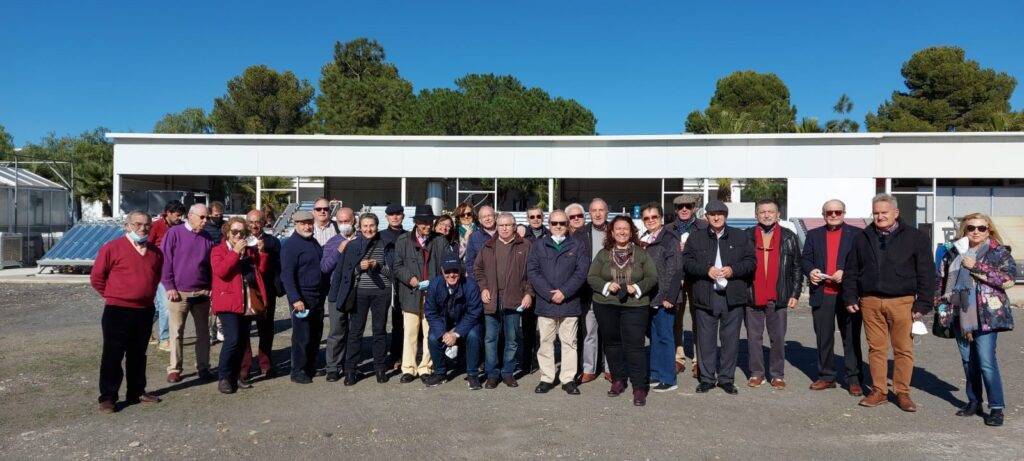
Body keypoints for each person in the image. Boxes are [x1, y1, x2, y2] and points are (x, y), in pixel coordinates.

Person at [843, 193, 934, 412]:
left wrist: (923, 304)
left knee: (903, 349)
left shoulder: (915, 237)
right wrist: (850, 296)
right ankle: (879, 391)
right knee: (876, 349)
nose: (880, 216)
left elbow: (927, 273)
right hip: (871, 301)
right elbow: (852, 269)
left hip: (902, 301)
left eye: (884, 212)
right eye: (876, 213)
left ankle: (902, 392)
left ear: (896, 213)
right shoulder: (863, 237)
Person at [936, 213, 1016, 426]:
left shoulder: (998, 251)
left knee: (986, 362)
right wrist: (940, 305)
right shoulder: (954, 251)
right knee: (968, 361)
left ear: (989, 230)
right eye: (971, 227)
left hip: (988, 315)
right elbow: (942, 279)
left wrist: (977, 267)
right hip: (959, 313)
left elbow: (1008, 280)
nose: (976, 232)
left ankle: (997, 407)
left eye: (982, 228)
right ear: (965, 229)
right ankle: (974, 401)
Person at [91, 211, 163, 413]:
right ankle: (108, 397)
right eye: (138, 224)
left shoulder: (156, 253)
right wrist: (115, 295)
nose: (143, 228)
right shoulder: (112, 248)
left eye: (147, 225)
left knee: (138, 353)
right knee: (113, 355)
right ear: (127, 225)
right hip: (117, 310)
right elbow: (97, 277)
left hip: (144, 310)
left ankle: (136, 391)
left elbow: (155, 277)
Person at [681, 201, 755, 396]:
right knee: (705, 340)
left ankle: (726, 379)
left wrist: (733, 270)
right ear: (706, 216)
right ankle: (706, 379)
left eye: (720, 214)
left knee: (730, 340)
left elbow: (751, 262)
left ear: (726, 216)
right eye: (712, 214)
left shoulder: (741, 236)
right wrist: (707, 270)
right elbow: (686, 263)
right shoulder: (696, 237)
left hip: (733, 295)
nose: (716, 217)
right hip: (706, 293)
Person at [587, 215, 658, 406]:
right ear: (611, 232)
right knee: (612, 344)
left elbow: (652, 277)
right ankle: (618, 379)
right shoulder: (603, 254)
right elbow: (592, 277)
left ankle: (639, 387)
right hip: (606, 304)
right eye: (618, 228)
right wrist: (606, 285)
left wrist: (639, 287)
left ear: (631, 231)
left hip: (635, 306)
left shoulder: (641, 253)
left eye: (625, 228)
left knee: (635, 346)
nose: (622, 231)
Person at [800, 199, 867, 396]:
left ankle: (854, 378)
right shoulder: (813, 235)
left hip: (848, 294)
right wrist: (810, 270)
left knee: (851, 338)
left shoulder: (857, 234)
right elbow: (805, 259)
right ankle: (827, 376)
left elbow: (864, 262)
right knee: (824, 337)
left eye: (838, 212)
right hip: (823, 293)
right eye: (829, 212)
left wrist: (845, 271)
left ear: (844, 213)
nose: (834, 215)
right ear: (823, 215)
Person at [527, 210, 589, 395]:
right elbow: (533, 271)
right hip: (546, 304)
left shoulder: (578, 245)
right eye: (554, 223)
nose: (559, 226)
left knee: (569, 343)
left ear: (568, 223)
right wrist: (548, 293)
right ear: (549, 223)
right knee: (545, 342)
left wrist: (564, 292)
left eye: (562, 222)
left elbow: (581, 272)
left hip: (569, 302)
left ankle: (568, 379)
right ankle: (547, 378)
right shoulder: (539, 245)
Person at [744, 199, 802, 390]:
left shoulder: (789, 237)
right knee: (754, 337)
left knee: (777, 338)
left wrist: (795, 292)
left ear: (778, 215)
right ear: (756, 215)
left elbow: (796, 268)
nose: (767, 215)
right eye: (762, 212)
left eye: (771, 211)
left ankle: (777, 374)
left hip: (778, 295)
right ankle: (757, 373)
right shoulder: (746, 236)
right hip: (752, 294)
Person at [474, 212, 533, 388]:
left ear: (514, 226)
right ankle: (492, 374)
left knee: (512, 339)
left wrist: (529, 293)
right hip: (492, 298)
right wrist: (483, 288)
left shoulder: (525, 245)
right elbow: (478, 270)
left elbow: (532, 272)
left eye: (508, 225)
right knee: (490, 339)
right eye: (501, 225)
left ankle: (508, 373)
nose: (504, 228)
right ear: (497, 227)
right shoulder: (488, 246)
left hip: (514, 299)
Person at [210, 217, 268, 394]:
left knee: (242, 342)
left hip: (247, 302)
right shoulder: (218, 251)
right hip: (228, 302)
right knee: (232, 340)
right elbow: (221, 272)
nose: (238, 235)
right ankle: (224, 378)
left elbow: (261, 272)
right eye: (234, 232)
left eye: (242, 232)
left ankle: (236, 376)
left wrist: (261, 253)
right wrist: (234, 252)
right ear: (227, 232)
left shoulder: (249, 251)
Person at [161, 203, 215, 384]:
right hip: (179, 292)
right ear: (191, 216)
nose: (205, 221)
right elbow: (165, 260)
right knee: (176, 332)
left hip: (202, 292)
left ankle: (204, 367)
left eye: (207, 217)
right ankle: (175, 368)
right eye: (202, 217)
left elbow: (210, 266)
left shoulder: (207, 237)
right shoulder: (174, 233)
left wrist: (211, 287)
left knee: (204, 333)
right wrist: (169, 286)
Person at [393, 205, 447, 383]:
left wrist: (438, 283)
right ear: (416, 223)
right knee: (409, 331)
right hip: (411, 292)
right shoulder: (403, 241)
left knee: (430, 331)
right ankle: (408, 368)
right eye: (423, 223)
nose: (427, 226)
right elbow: (397, 266)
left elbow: (447, 266)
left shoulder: (440, 241)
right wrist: (410, 278)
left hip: (433, 294)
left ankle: (425, 367)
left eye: (430, 222)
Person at [341, 213, 396, 385]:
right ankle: (351, 369)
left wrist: (378, 266)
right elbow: (346, 271)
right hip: (360, 293)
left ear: (377, 226)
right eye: (365, 226)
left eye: (371, 225)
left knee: (379, 331)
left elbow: (393, 272)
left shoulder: (385, 244)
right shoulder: (353, 245)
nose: (368, 229)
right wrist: (359, 268)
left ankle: (379, 368)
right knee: (355, 331)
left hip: (381, 292)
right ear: (359, 227)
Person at [281, 210, 329, 384]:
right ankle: (298, 370)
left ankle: (310, 365)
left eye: (309, 223)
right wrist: (295, 299)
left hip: (317, 295)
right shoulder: (291, 246)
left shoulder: (313, 242)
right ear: (296, 224)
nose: (307, 226)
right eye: (303, 223)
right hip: (302, 296)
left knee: (316, 333)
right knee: (302, 335)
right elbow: (287, 275)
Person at [639, 203, 682, 393]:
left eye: (654, 217)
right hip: (650, 298)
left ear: (661, 218)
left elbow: (675, 269)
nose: (650, 221)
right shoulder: (644, 239)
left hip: (664, 297)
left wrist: (669, 296)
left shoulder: (669, 238)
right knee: (655, 337)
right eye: (646, 218)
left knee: (665, 337)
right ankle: (656, 374)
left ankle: (668, 378)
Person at [422, 257, 484, 388]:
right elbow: (430, 312)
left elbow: (474, 313)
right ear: (442, 271)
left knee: (473, 336)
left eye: (455, 271)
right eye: (448, 271)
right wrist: (442, 333)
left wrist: (456, 333)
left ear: (460, 271)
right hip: (444, 324)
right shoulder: (434, 285)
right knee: (433, 337)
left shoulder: (471, 285)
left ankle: (472, 375)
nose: (451, 275)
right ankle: (440, 374)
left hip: (465, 323)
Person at [666, 194, 707, 377]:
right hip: (676, 278)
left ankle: (699, 360)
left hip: (698, 277)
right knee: (676, 318)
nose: (684, 209)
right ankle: (678, 357)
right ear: (675, 210)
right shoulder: (668, 229)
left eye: (688, 206)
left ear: (694, 208)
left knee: (699, 318)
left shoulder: (704, 227)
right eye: (680, 206)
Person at [240, 209, 282, 381]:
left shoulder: (272, 241)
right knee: (244, 331)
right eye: (250, 222)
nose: (254, 225)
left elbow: (277, 259)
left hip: (266, 292)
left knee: (266, 330)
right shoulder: (240, 240)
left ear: (264, 223)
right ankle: (245, 367)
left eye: (258, 222)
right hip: (245, 292)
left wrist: (265, 250)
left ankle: (266, 364)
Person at [319, 207, 359, 382]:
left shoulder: (361, 240)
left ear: (354, 220)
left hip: (358, 292)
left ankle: (351, 365)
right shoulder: (333, 242)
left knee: (355, 331)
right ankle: (333, 367)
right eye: (341, 222)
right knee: (337, 330)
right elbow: (325, 267)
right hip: (337, 293)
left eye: (347, 221)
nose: (344, 225)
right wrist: (339, 250)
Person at [577, 198, 611, 384]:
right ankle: (589, 368)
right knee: (590, 331)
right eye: (594, 210)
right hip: (589, 290)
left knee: (609, 331)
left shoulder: (616, 230)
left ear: (607, 212)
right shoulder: (581, 233)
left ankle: (609, 367)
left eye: (601, 210)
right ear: (589, 213)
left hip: (611, 290)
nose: (597, 214)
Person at [150, 200, 187, 352]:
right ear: (169, 213)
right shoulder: (156, 226)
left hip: (175, 270)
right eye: (177, 215)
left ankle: (144, 328)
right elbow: (149, 246)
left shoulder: (180, 227)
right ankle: (164, 339)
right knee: (166, 305)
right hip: (160, 271)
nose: (180, 218)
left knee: (160, 307)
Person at [518, 206, 547, 374]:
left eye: (538, 216)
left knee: (545, 330)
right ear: (527, 219)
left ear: (542, 217)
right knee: (528, 329)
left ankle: (543, 361)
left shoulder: (549, 234)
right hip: (527, 288)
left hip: (544, 287)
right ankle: (527, 361)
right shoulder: (522, 235)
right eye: (532, 217)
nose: (535, 219)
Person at [381, 203, 408, 371]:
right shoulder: (380, 236)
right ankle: (382, 356)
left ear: (403, 216)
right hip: (384, 282)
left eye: (398, 214)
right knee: (381, 322)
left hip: (403, 282)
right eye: (391, 215)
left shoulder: (409, 236)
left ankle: (399, 355)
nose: (395, 217)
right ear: (387, 217)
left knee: (401, 321)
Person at [463, 205, 497, 273]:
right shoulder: (474, 237)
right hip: (482, 280)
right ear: (480, 220)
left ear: (495, 217)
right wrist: (477, 280)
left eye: (489, 215)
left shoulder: (503, 233)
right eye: (484, 217)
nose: (487, 219)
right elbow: (470, 263)